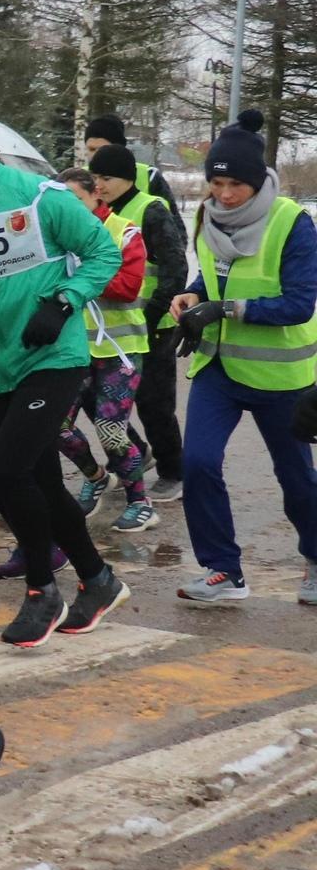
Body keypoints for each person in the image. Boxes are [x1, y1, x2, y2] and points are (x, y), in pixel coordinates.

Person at [0, 95, 127, 644]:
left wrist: (63, 301)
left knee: (5, 467)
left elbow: (102, 254)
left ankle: (43, 590)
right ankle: (97, 579)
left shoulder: (40, 197)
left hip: (54, 355)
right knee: (39, 479)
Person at [168, 110, 317, 606]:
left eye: (236, 184)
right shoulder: (205, 214)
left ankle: (316, 559)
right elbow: (210, 277)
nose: (225, 194)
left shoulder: (291, 222)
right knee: (199, 462)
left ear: (258, 181)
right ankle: (223, 571)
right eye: (216, 182)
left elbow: (300, 303)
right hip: (218, 368)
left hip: (282, 376)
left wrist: (225, 308)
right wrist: (191, 297)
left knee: (295, 476)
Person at [56, 166, 156, 534]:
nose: (70, 209)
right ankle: (96, 477)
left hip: (120, 351)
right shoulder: (56, 235)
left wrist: (77, 276)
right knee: (56, 427)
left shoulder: (124, 231)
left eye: (77, 200)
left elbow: (128, 287)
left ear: (96, 193)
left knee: (111, 430)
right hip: (71, 350)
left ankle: (140, 502)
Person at [90, 142, 188, 501]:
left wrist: (151, 315)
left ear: (128, 178)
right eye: (95, 176)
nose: (99, 184)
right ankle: (133, 455)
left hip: (153, 326)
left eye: (107, 177)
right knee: (101, 402)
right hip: (112, 330)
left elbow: (176, 267)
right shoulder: (98, 211)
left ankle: (174, 471)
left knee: (154, 404)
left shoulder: (150, 209)